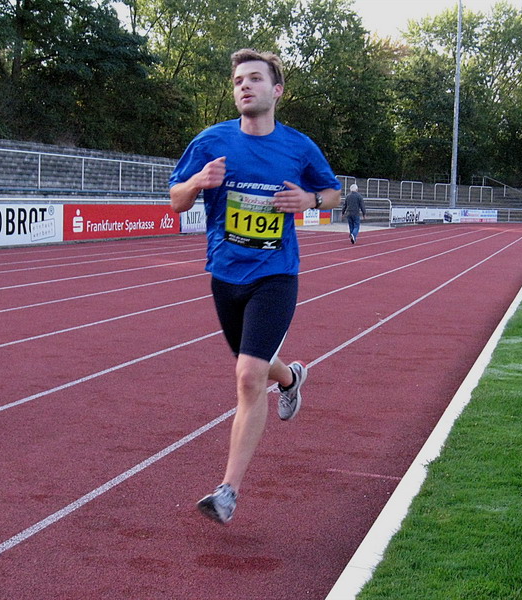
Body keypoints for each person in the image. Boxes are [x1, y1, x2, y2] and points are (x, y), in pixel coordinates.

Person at [168, 48, 341, 524]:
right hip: (225, 275)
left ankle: (227, 492)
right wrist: (198, 181)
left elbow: (333, 193)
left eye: (255, 79)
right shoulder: (211, 141)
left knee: (247, 376)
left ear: (277, 90)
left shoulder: (298, 147)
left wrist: (310, 200)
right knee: (257, 365)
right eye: (238, 80)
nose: (244, 85)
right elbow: (176, 201)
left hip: (275, 273)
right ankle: (290, 378)